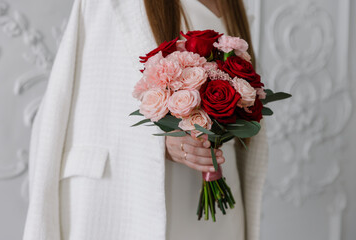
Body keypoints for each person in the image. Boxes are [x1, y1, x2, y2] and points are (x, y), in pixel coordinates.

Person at [22, 0, 269, 240]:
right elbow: (82, 108)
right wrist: (160, 142)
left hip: (220, 204)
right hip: (139, 196)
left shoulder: (236, 7)